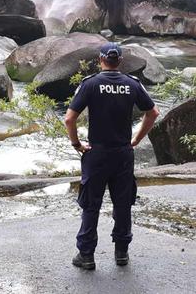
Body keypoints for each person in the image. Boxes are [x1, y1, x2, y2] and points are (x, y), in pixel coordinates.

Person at [64, 42, 160, 270]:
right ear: (120, 61)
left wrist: (76, 143)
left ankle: (86, 256)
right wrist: (136, 140)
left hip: (97, 153)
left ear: (100, 59)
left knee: (91, 205)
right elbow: (153, 112)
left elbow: (69, 118)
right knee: (123, 204)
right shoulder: (132, 84)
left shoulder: (90, 84)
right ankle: (121, 254)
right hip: (122, 155)